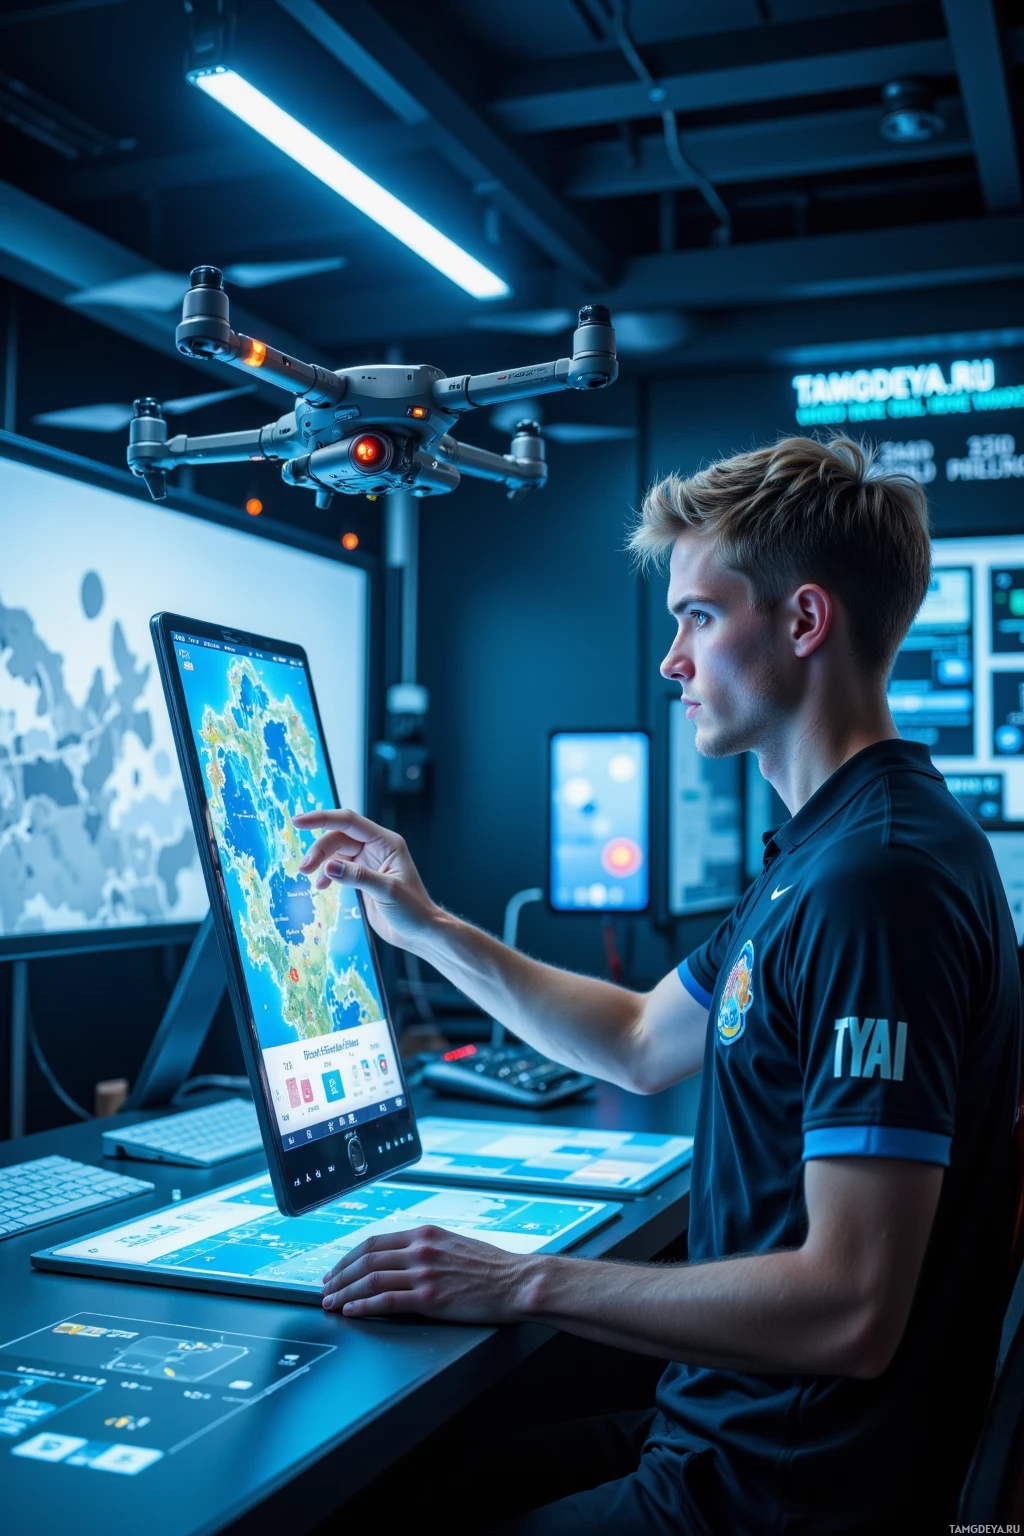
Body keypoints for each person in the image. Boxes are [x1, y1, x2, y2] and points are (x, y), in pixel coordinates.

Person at [294, 437, 1021, 1534]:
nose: (671, 662)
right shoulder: (827, 853)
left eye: (695, 618)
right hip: (731, 1426)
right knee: (414, 1486)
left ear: (802, 621)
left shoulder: (877, 884)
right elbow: (637, 1037)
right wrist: (430, 929)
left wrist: (519, 1281)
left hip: (780, 1487)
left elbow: (850, 1311)